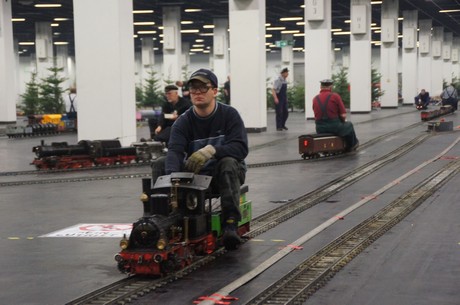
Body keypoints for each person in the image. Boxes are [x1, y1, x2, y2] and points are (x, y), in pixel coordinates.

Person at [154, 68, 248, 250]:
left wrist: (212, 150)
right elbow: (174, 151)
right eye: (193, 89)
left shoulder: (229, 115)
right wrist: (173, 179)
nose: (197, 93)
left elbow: (241, 148)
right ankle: (163, 220)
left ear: (214, 91)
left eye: (203, 88)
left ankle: (230, 225)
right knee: (160, 163)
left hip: (224, 175)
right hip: (196, 177)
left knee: (227, 163)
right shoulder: (183, 121)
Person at [312, 79, 359, 152]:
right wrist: (343, 122)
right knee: (349, 125)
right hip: (334, 127)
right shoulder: (335, 96)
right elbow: (343, 115)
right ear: (331, 87)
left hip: (320, 128)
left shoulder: (315, 98)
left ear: (321, 87)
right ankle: (351, 145)